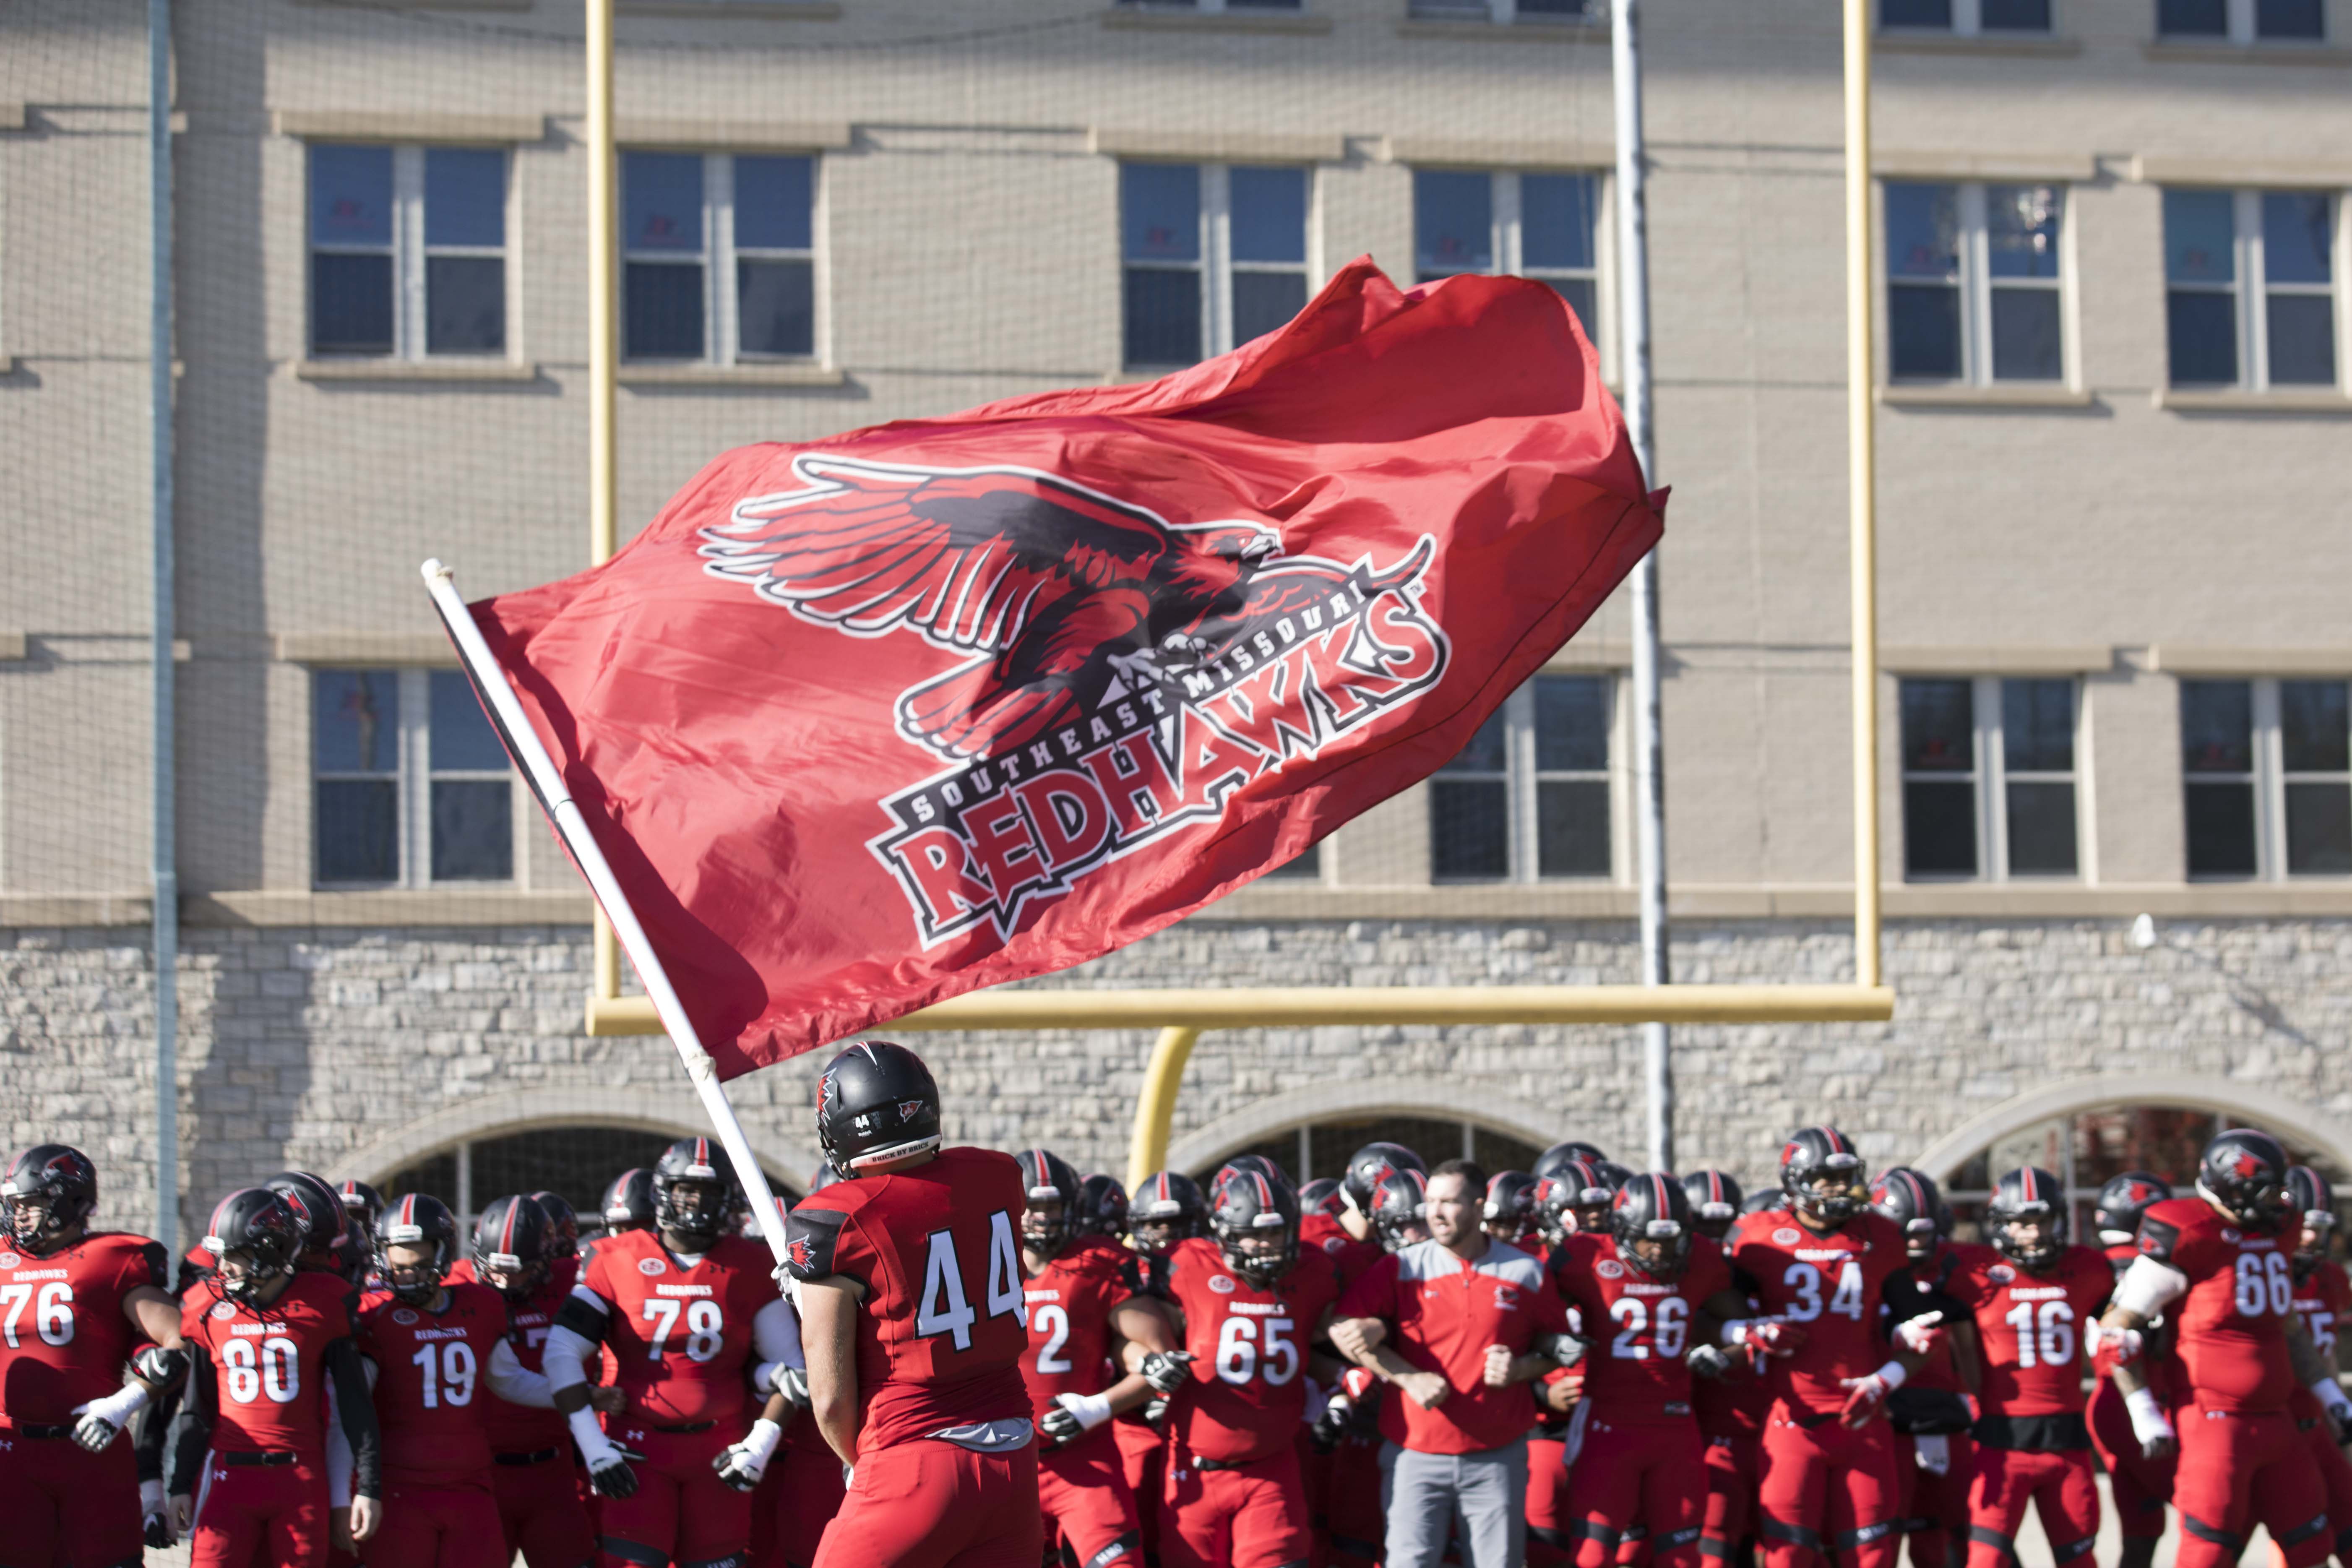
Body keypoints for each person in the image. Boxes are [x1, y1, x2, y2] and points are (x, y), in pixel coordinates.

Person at [784, 1040, 1040, 1568]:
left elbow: (830, 1398)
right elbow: (930, 1242)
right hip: (1015, 1458)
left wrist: (858, 1463)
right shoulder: (998, 1174)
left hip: (914, 1460)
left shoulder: (838, 1218)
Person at [544, 1137, 803, 1568]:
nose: (696, 1202)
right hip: (638, 1453)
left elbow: (793, 1367)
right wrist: (594, 1448)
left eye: (710, 1192)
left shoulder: (752, 1264)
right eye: (687, 1190)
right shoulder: (613, 1258)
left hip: (721, 1452)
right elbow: (561, 1352)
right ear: (664, 1192)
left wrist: (759, 1444)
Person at [2097, 1129, 2339, 1568]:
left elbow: (2287, 1327)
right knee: (2206, 1550)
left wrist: (2330, 1393)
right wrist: (2143, 1411)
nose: (2279, 1202)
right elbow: (2116, 1331)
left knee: (2310, 1544)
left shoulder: (2277, 1233)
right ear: (2233, 1183)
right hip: (2215, 1423)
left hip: (2279, 1421)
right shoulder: (2189, 1232)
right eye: (2267, 1190)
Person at [1331, 1158, 1574, 1568]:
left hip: (1497, 1456)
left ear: (1479, 1208)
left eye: (1449, 1202)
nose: (1436, 1213)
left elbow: (1563, 1349)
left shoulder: (1526, 1270)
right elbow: (1341, 1328)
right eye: (1431, 1202)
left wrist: (1520, 1370)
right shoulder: (1401, 1266)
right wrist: (1405, 1375)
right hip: (1414, 1455)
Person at [1728, 1126, 1943, 1568]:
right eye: (1826, 1178)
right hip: (1791, 1424)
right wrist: (1745, 1331)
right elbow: (1707, 1316)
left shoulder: (1880, 1236)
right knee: (1788, 1558)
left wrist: (1888, 1378)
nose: (1839, 1189)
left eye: (1845, 1177)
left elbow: (1925, 1331)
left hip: (1863, 1421)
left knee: (1872, 1557)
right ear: (1795, 1181)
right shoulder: (1755, 1236)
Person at [170, 1187, 383, 1568]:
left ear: (272, 1250)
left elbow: (353, 1406)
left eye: (235, 1256)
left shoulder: (324, 1302)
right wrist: (179, 1484)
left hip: (299, 1477)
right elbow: (197, 1408)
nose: (224, 1269)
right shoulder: (208, 1306)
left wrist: (368, 1487)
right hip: (229, 1475)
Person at [0, 1143, 188, 1568]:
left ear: (70, 1201)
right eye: (17, 1206)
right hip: (10, 1450)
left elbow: (179, 1341)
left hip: (90, 1447)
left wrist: (122, 1405)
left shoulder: (114, 1258)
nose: (20, 1215)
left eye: (31, 1204)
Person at [1548, 1173, 1748, 1568]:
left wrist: (1725, 1354)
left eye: (1669, 1240)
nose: (1659, 1252)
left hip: (1675, 1427)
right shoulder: (1583, 1256)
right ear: (1621, 1231)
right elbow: (1533, 1316)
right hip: (1605, 1426)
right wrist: (1552, 1347)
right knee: (1592, 1557)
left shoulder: (1703, 1260)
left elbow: (1746, 1328)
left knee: (1681, 1558)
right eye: (1648, 1240)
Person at [1156, 1164, 1343, 1568]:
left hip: (1271, 1466)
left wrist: (1349, 1373)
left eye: (1275, 1232)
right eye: (1253, 1234)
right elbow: (1128, 1322)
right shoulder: (1186, 1265)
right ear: (1223, 1232)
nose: (1266, 1244)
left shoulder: (1312, 1273)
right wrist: (1146, 1360)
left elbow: (1325, 1342)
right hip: (1193, 1465)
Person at [359, 1193, 560, 1568]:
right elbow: (352, 1409)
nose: (406, 1274)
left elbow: (509, 1380)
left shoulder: (479, 1305)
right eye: (397, 1262)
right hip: (402, 1485)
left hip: (471, 1483)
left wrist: (577, 1396)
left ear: (442, 1254)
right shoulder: (374, 1314)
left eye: (417, 1263)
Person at [1014, 1148, 1184, 1568]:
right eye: (1033, 1206)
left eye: (1052, 1206)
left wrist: (1096, 1409)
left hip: (1083, 1455)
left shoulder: (1099, 1262)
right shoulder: (978, 1264)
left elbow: (1157, 1359)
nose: (1043, 1217)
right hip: (1003, 1465)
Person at [1936, 1168, 2110, 1568]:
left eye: (2042, 1222)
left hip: (2067, 1444)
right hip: (2000, 1443)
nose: (2032, 1234)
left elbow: (2122, 1315)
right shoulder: (1972, 1273)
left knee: (2080, 1562)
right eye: (2021, 1224)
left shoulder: (2088, 1268)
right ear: (2000, 1224)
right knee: (1985, 1560)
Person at [448, 1195, 610, 1568]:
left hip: (554, 1472)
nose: (505, 1282)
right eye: (496, 1270)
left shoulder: (573, 1277)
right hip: (480, 1473)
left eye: (520, 1270)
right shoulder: (455, 1283)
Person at [1866, 1168, 1972, 1568]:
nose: (1913, 1245)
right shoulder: (1859, 1263)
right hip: (1885, 1414)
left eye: (1921, 1234)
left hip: (1944, 1413)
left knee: (1950, 1534)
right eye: (1903, 1235)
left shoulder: (1956, 1267)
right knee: (1882, 1534)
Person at [2082, 1171, 2178, 1567]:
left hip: (2107, 1404)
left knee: (2142, 1529)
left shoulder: (2088, 1264)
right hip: (2145, 1398)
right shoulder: (2154, 1266)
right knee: (2212, 1518)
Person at [1118, 1169, 1210, 1563]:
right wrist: (1146, 1365)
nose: (1165, 1234)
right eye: (1155, 1224)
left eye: (1176, 1224)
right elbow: (1111, 1343)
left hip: (1204, 1409)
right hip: (1135, 1415)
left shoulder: (1217, 1270)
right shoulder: (1124, 1271)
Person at [2283, 1166, 2352, 1566]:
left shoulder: (2330, 1277)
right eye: (2305, 1226)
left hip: (2317, 1419)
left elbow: (2324, 1355)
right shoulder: (2263, 1273)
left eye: (2320, 1227)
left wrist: (2334, 1405)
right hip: (2271, 1420)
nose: (2312, 1238)